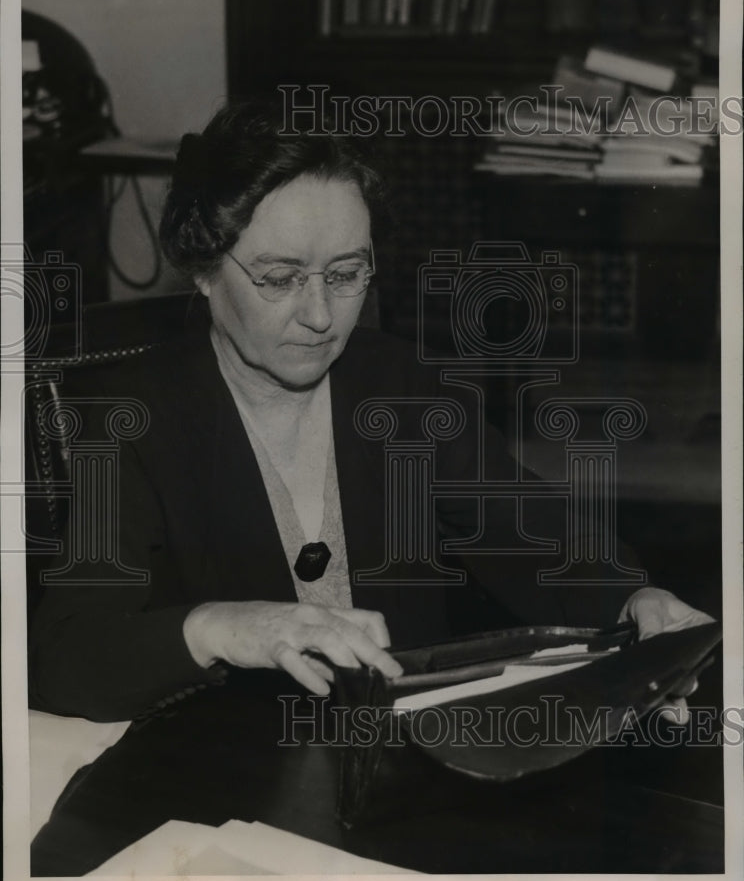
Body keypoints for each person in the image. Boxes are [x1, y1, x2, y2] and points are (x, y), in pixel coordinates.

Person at [29, 100, 713, 723]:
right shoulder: (130, 415)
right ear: (205, 269)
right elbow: (65, 657)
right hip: (228, 778)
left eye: (347, 273)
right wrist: (221, 628)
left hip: (400, 761)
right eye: (279, 278)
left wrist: (631, 602)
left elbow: (528, 531)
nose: (321, 316)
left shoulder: (401, 384)